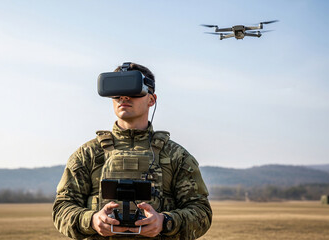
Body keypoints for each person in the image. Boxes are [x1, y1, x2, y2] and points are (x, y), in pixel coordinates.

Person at [52, 63, 212, 240]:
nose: (124, 97)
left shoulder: (176, 156)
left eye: (134, 91)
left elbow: (201, 212)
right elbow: (62, 209)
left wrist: (165, 222)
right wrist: (92, 221)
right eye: (117, 93)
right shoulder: (88, 154)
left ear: (152, 99)